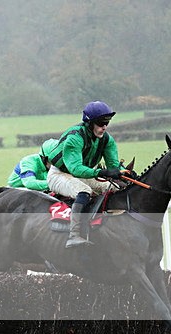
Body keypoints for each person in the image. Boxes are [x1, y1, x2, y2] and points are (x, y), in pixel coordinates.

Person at [45, 101, 122, 248]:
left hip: (83, 174)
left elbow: (113, 166)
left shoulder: (107, 140)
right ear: (89, 123)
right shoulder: (75, 138)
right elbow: (76, 169)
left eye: (107, 123)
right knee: (84, 191)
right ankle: (74, 235)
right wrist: (101, 171)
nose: (104, 127)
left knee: (113, 188)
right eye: (100, 123)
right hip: (59, 174)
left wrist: (121, 172)